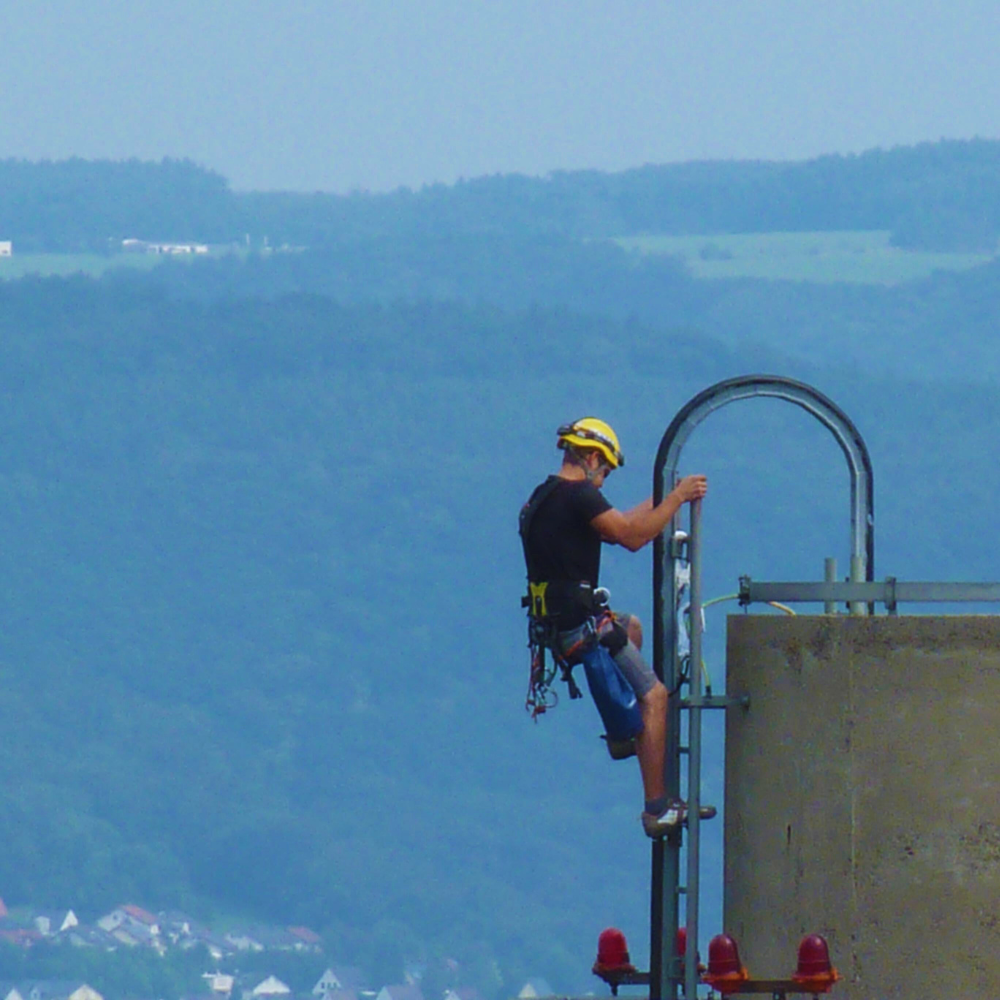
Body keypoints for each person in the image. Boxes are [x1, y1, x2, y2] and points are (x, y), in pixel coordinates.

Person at [519, 417, 712, 838]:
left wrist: (663, 499)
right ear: (591, 458)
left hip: (562, 624)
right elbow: (632, 537)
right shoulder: (580, 496)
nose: (603, 482)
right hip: (582, 627)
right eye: (604, 471)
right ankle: (657, 808)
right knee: (656, 696)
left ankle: (623, 737)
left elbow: (618, 523)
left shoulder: (545, 497)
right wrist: (677, 498)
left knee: (633, 627)